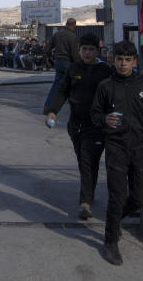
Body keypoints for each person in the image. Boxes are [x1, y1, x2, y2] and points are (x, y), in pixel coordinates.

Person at [91, 40, 143, 266]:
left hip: (139, 149)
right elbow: (95, 115)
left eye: (128, 60)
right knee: (117, 197)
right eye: (119, 59)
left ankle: (115, 221)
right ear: (112, 60)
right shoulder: (105, 86)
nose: (123, 63)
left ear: (135, 61)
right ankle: (110, 242)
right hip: (115, 148)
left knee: (139, 198)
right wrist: (104, 119)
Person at [45, 33, 113, 219]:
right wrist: (52, 111)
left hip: (96, 125)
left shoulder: (105, 71)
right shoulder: (73, 69)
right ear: (79, 50)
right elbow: (62, 91)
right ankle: (89, 194)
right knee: (85, 162)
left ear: (97, 51)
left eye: (91, 50)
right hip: (76, 124)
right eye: (84, 49)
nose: (87, 53)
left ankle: (85, 202)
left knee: (87, 160)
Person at [43, 18, 80, 112]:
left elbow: (47, 49)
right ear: (74, 25)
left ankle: (48, 106)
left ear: (66, 24)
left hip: (58, 62)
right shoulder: (73, 36)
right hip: (68, 63)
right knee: (74, 83)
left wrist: (51, 58)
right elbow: (74, 54)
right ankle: (74, 104)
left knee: (56, 85)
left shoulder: (57, 34)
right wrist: (78, 65)